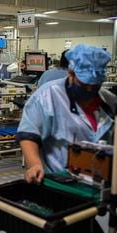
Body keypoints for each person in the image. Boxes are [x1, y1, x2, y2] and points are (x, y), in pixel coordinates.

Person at [17, 44, 114, 185]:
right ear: (70, 73)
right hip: (59, 180)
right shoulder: (48, 95)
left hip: (99, 182)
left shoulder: (108, 99)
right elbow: (29, 134)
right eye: (84, 84)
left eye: (94, 85)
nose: (89, 90)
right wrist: (34, 164)